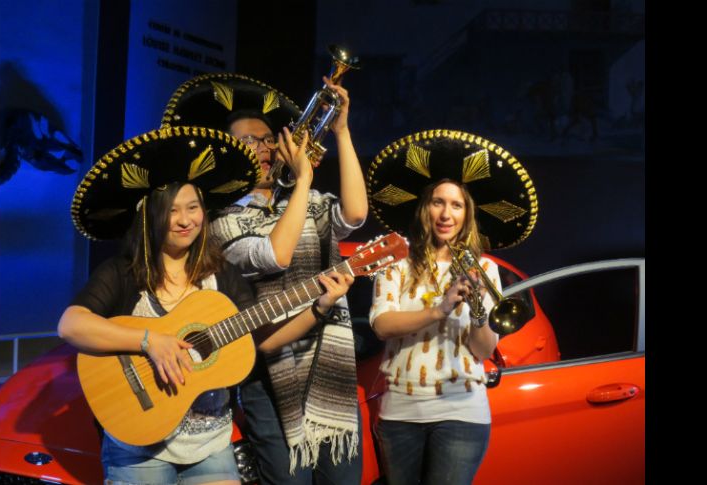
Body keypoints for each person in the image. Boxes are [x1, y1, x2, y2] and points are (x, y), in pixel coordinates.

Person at [58, 127, 354, 485]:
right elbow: (71, 325)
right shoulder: (124, 273)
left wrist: (320, 305)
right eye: (173, 211)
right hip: (140, 447)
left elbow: (263, 339)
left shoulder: (221, 274)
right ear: (150, 216)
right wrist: (150, 341)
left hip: (210, 446)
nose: (186, 221)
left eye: (194, 208)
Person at [161, 72, 368, 483]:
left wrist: (341, 133)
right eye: (249, 141)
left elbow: (356, 214)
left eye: (268, 139)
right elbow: (275, 253)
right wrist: (306, 178)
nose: (264, 149)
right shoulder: (222, 222)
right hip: (268, 376)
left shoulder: (305, 202)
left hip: (328, 367)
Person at [364, 130, 539, 485]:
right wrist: (439, 309)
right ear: (424, 208)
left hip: (463, 411)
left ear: (467, 213)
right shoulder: (395, 263)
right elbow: (382, 325)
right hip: (402, 412)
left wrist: (477, 310)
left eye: (456, 205)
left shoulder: (484, 269)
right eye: (438, 202)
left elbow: (483, 350)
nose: (446, 214)